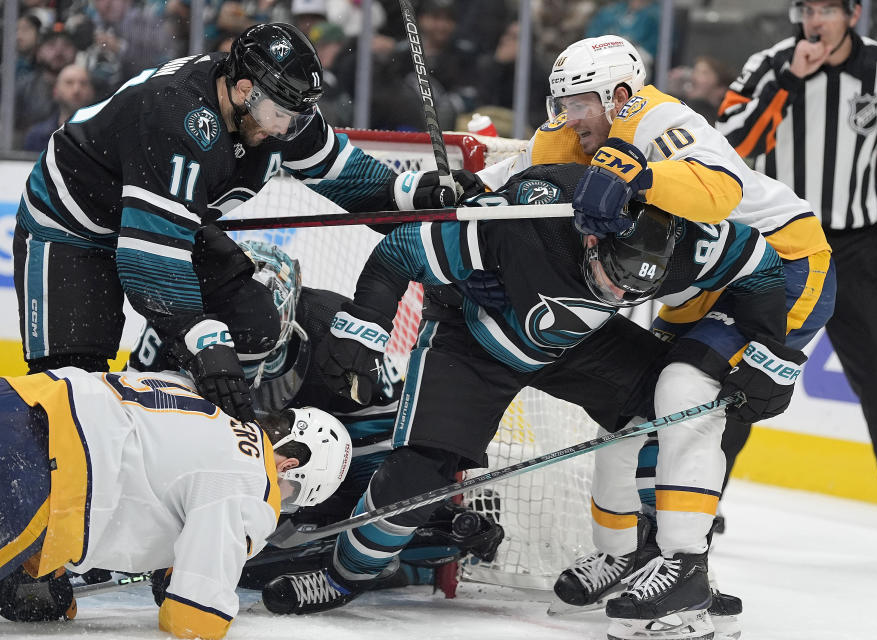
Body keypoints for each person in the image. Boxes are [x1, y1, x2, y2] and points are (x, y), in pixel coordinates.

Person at [251, 160, 806, 636]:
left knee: (673, 401)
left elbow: (760, 268)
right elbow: (401, 249)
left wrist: (771, 354)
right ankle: (341, 576)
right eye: (612, 279)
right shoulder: (523, 225)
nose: (619, 294)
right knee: (419, 478)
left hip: (578, 342)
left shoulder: (684, 240)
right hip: (476, 339)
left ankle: (660, 558)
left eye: (635, 291)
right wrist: (364, 328)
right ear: (592, 236)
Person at [477, 34, 835, 639]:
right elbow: (506, 187)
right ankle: (631, 553)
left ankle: (686, 568)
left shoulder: (658, 117)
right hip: (693, 282)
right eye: (560, 103)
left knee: (681, 393)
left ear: (618, 95)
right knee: (633, 408)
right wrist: (456, 193)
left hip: (779, 267)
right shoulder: (565, 137)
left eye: (579, 103)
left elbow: (718, 188)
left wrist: (637, 175)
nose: (568, 118)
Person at [13, 23, 474, 426]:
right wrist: (203, 342)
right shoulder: (179, 118)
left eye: (297, 118)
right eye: (279, 116)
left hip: (167, 223)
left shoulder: (278, 106)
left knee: (252, 321)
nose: (285, 130)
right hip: (73, 229)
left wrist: (414, 194)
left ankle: (174, 429)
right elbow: (149, 262)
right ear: (241, 89)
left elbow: (342, 173)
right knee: (72, 392)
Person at [127, 240, 504, 596]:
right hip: (216, 449)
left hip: (301, 456)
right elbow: (142, 430)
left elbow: (390, 436)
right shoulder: (172, 324)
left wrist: (393, 503)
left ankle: (401, 543)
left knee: (381, 482)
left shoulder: (333, 328)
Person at [716, 0, 877, 561]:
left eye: (827, 10)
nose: (814, 20)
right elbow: (730, 146)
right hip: (783, 244)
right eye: (806, 8)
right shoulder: (769, 66)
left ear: (854, 14)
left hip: (857, 245)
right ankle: (702, 492)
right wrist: (791, 80)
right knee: (738, 369)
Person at [0, 367, 351, 639]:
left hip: (20, 396)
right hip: (39, 477)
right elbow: (194, 618)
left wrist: (45, 565)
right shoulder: (254, 483)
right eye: (291, 493)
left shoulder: (202, 392)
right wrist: (184, 584)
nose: (281, 499)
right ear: (290, 466)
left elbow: (133, 442)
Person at [22, 63, 95, 151]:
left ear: (91, 91)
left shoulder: (102, 136)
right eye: (69, 83)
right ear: (55, 91)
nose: (76, 89)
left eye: (83, 84)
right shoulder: (36, 137)